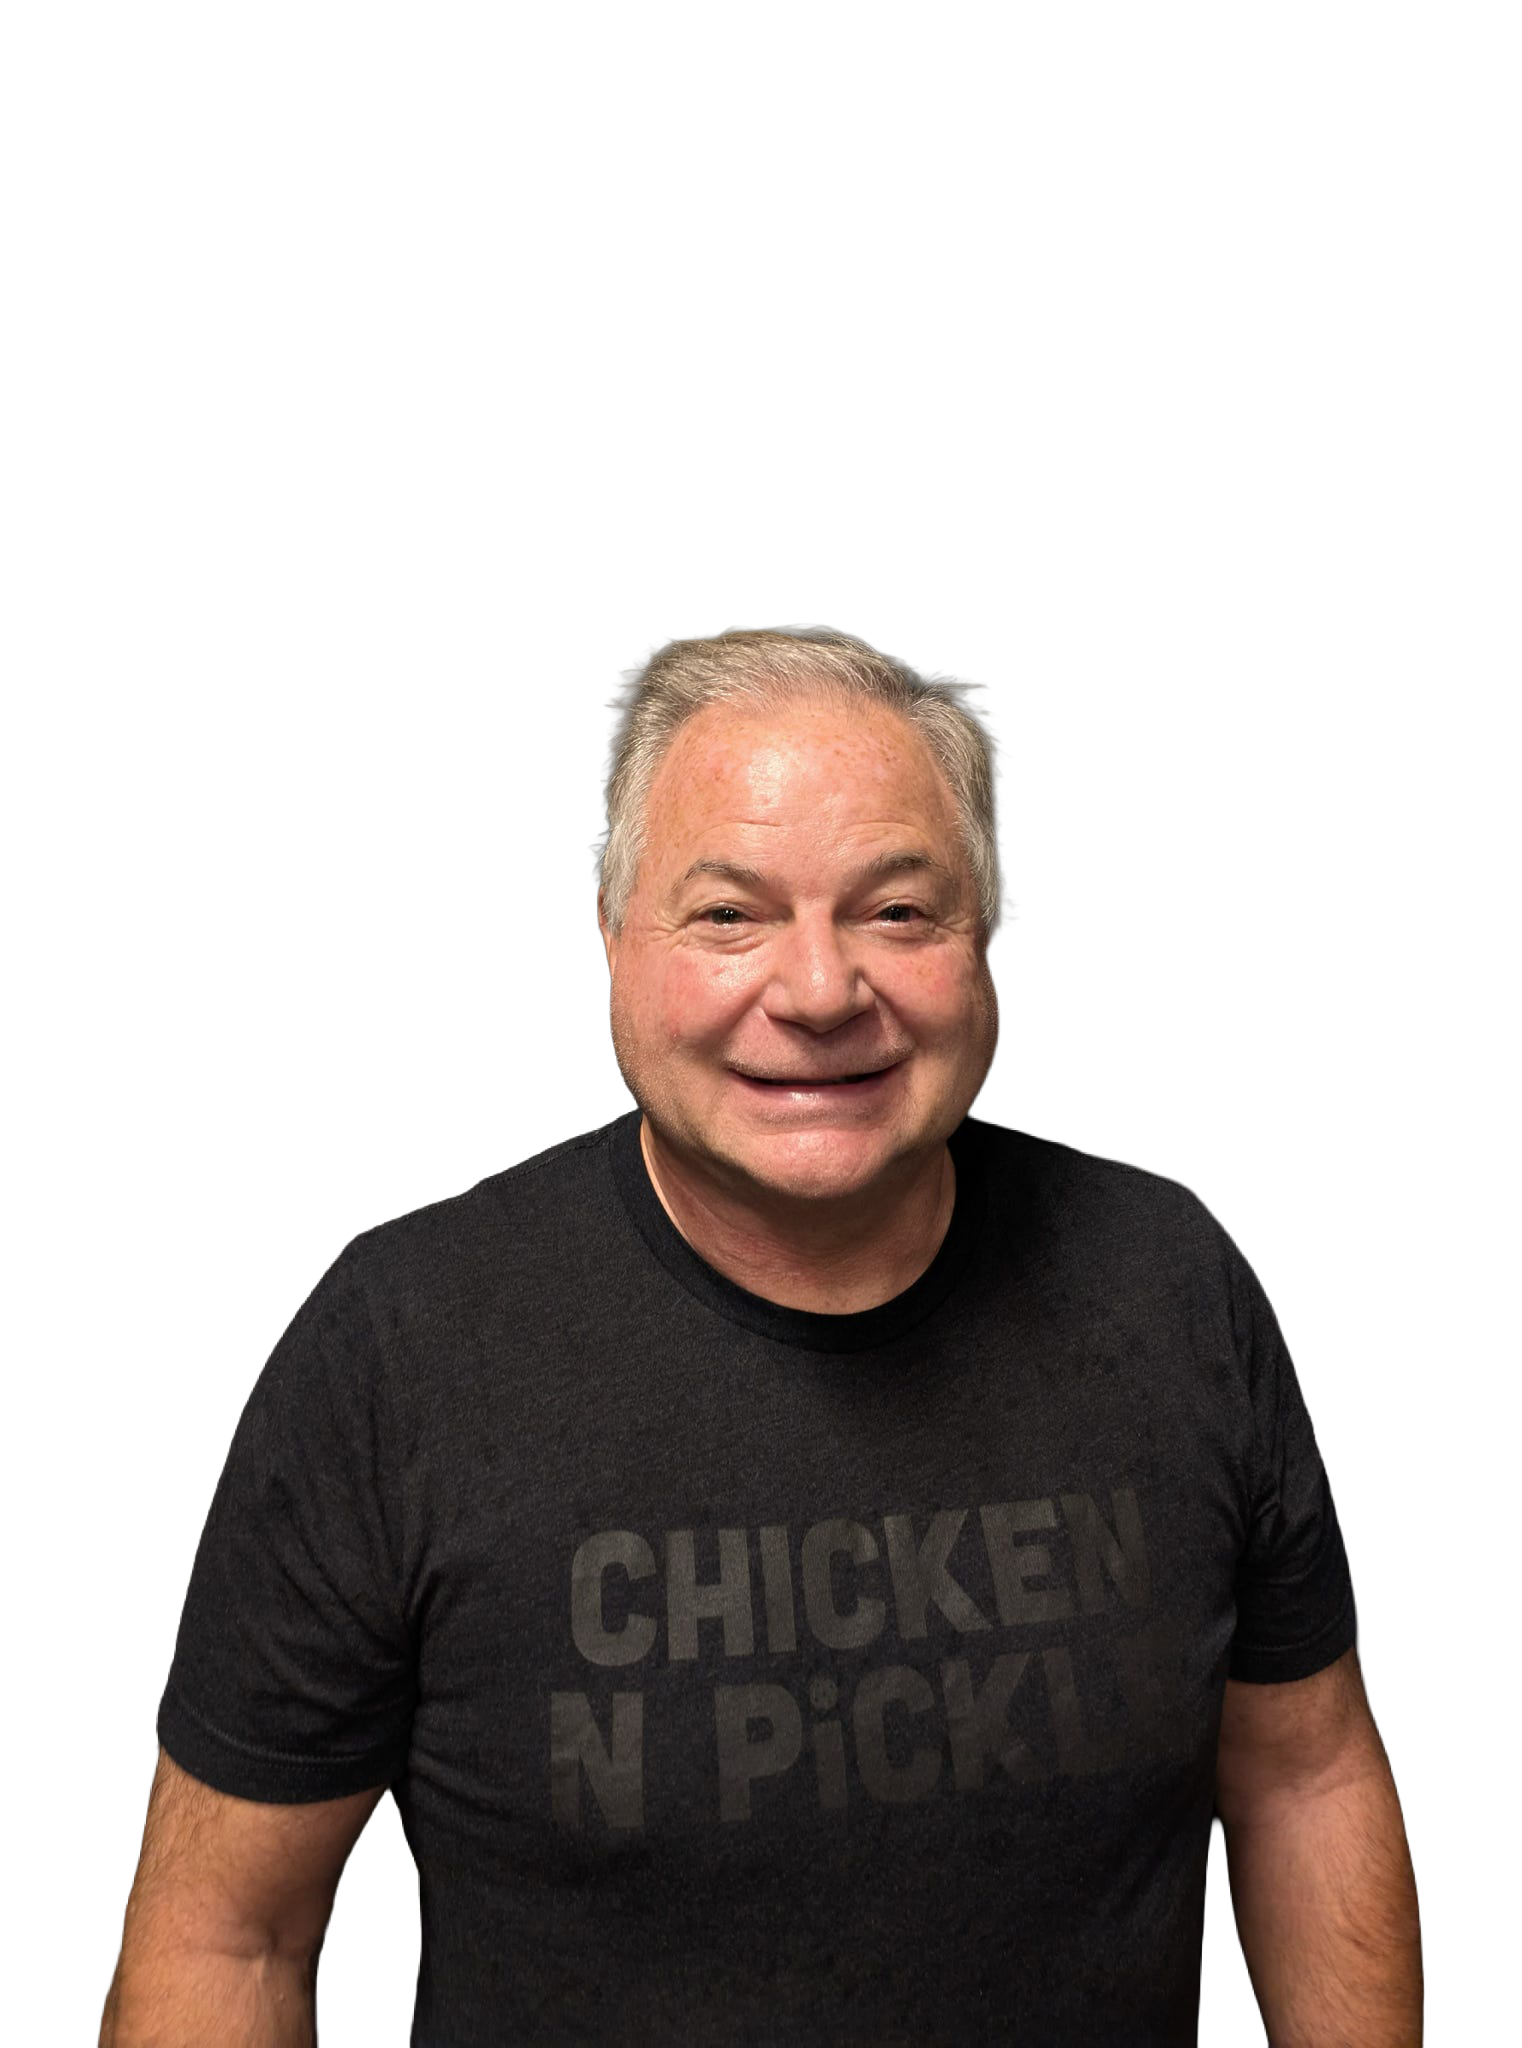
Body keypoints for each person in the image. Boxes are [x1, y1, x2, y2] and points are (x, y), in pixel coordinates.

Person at [99, 627, 1423, 2045]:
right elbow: (225, 1940)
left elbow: (1305, 1784)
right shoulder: (399, 1348)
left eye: (896, 912)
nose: (818, 991)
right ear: (615, 940)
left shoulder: (1169, 1285)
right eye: (729, 915)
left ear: (980, 939)